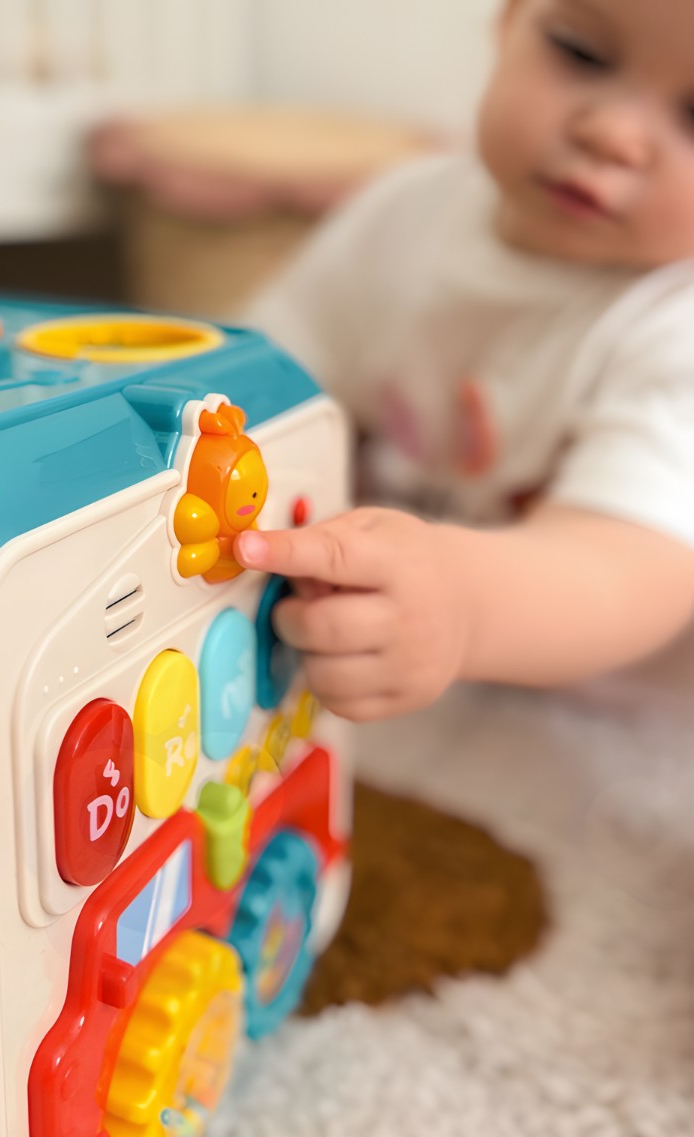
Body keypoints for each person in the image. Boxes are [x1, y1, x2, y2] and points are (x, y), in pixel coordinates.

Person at [237, 0, 694, 722]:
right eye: (581, 53)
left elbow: (629, 571)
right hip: (388, 636)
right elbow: (264, 384)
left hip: (601, 711)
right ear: (510, 22)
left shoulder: (676, 323)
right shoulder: (407, 209)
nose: (613, 134)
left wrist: (462, 604)